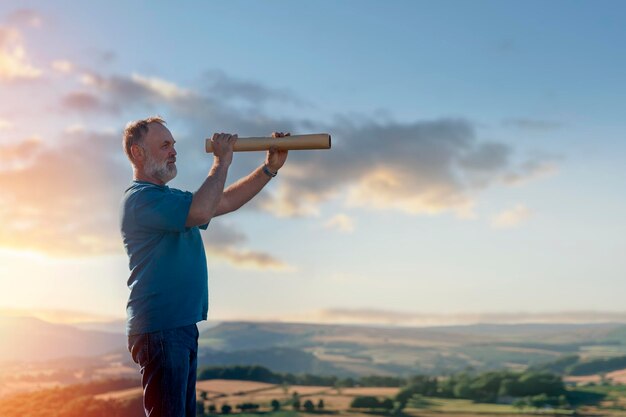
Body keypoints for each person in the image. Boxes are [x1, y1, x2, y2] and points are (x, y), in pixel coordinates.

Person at [119, 116, 289, 417]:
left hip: (179, 325)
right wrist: (221, 162)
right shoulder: (140, 201)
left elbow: (221, 202)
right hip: (162, 327)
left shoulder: (169, 198)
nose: (174, 151)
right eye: (165, 145)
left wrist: (268, 169)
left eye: (173, 145)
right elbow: (201, 210)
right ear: (138, 153)